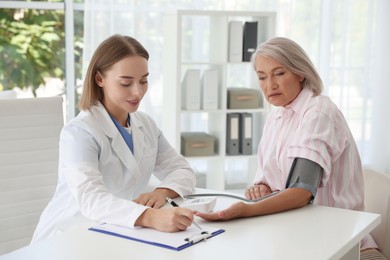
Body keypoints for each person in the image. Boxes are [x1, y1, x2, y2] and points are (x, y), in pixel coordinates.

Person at [195, 37, 379, 252]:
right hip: (293, 234)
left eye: (279, 73)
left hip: (341, 243)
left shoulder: (319, 111)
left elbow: (301, 191)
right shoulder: (277, 117)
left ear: (300, 72)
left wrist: (244, 210)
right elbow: (267, 179)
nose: (270, 85)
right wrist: (260, 187)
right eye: (262, 77)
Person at [31, 34, 196, 242]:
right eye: (126, 83)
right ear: (100, 79)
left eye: (144, 80)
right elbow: (91, 199)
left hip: (116, 232)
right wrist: (151, 217)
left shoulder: (145, 124)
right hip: (67, 237)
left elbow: (182, 170)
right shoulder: (80, 132)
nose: (138, 91)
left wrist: (162, 191)